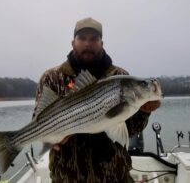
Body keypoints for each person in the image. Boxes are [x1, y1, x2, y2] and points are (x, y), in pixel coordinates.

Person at [33, 17, 160, 183]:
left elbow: (131, 129)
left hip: (115, 176)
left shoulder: (120, 77)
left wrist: (144, 112)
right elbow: (39, 120)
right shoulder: (52, 78)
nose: (88, 43)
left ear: (102, 43)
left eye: (94, 39)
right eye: (82, 38)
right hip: (67, 177)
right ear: (73, 42)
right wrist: (49, 136)